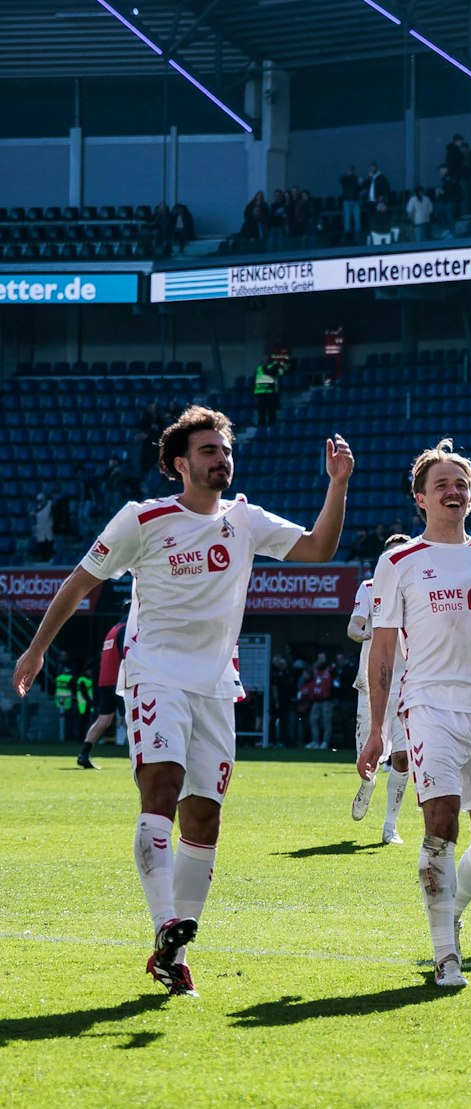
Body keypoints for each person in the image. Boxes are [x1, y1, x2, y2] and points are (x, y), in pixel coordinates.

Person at [12, 407, 352, 996]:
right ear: (179, 464)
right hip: (154, 676)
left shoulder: (246, 520)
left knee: (205, 817)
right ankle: (164, 919)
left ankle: (173, 952)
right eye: (208, 451)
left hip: (217, 685)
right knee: (161, 788)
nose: (220, 459)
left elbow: (320, 548)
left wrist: (338, 483)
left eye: (224, 450)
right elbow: (78, 582)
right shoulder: (142, 519)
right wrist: (37, 649)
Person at [358, 441, 471, 989]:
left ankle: (450, 908)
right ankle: (445, 955)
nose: (454, 492)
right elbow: (382, 651)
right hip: (429, 707)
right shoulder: (398, 562)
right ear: (420, 499)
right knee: (441, 824)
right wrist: (378, 730)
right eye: (442, 485)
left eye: (461, 485)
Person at [348, 534, 412, 841]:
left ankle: (390, 826)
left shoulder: (418, 591)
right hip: (372, 683)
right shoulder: (369, 588)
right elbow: (353, 626)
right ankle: (367, 784)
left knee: (404, 757)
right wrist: (369, 632)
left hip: (407, 685)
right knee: (368, 757)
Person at [76, 619, 126, 768]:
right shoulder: (125, 629)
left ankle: (84, 754)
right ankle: (144, 759)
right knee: (130, 719)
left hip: (105, 681)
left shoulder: (112, 630)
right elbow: (127, 654)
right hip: (119, 682)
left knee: (103, 720)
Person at [253, 352, 285, 428]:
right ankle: (262, 422)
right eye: (262, 359)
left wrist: (265, 368)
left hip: (270, 391)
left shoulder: (273, 366)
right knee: (261, 409)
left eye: (265, 359)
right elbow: (256, 378)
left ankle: (272, 422)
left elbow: (274, 374)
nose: (263, 360)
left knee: (271, 408)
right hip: (259, 391)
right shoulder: (259, 368)